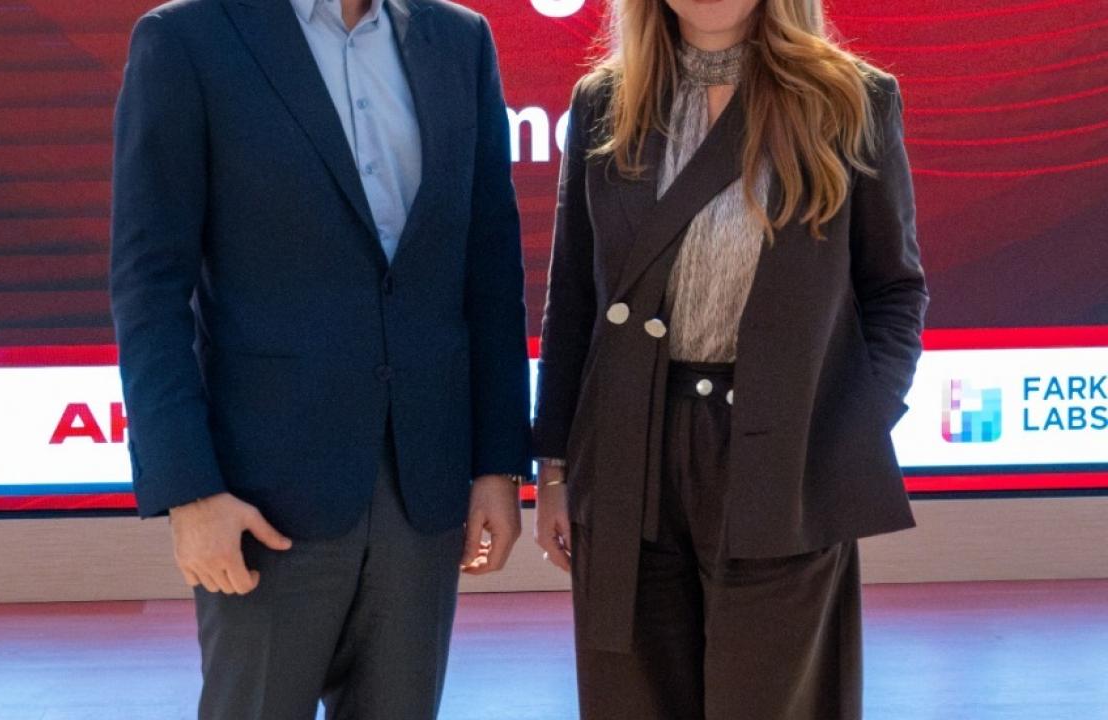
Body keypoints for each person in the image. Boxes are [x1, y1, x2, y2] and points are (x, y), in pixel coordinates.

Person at [108, 0, 532, 717]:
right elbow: (148, 287)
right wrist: (189, 492)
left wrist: (497, 465)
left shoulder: (460, 39)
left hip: (423, 494)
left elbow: (490, 269)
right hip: (262, 502)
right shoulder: (186, 38)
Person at [532, 0, 928, 717]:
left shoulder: (850, 101)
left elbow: (893, 292)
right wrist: (555, 469)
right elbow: (575, 303)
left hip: (782, 456)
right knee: (632, 699)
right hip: (628, 456)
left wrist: (844, 433)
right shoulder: (604, 103)